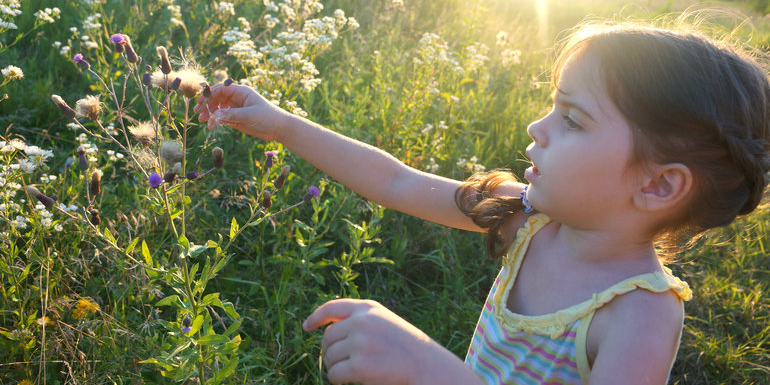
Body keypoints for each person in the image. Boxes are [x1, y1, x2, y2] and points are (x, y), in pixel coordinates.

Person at [193, 22, 770, 384]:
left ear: (657, 186)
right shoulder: (529, 219)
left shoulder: (640, 314)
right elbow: (394, 182)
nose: (537, 126)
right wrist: (280, 123)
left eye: (571, 119)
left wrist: (427, 366)